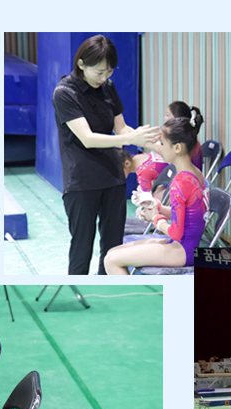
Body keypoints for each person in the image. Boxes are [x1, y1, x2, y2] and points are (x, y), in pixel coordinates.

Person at [52, 34, 159, 275]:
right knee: (81, 247)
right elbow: (88, 139)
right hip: (82, 181)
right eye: (99, 72)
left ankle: (108, 289)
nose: (104, 78)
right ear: (81, 64)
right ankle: (76, 290)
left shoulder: (108, 87)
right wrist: (130, 139)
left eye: (109, 72)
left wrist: (146, 139)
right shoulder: (64, 93)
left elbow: (121, 128)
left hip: (112, 177)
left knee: (113, 248)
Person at [104, 115, 207, 274]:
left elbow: (176, 233)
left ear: (177, 148)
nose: (158, 148)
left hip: (182, 251)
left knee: (111, 260)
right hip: (185, 246)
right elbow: (187, 216)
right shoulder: (195, 173)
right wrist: (157, 206)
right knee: (112, 252)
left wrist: (155, 218)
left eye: (162, 144)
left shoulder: (180, 183)